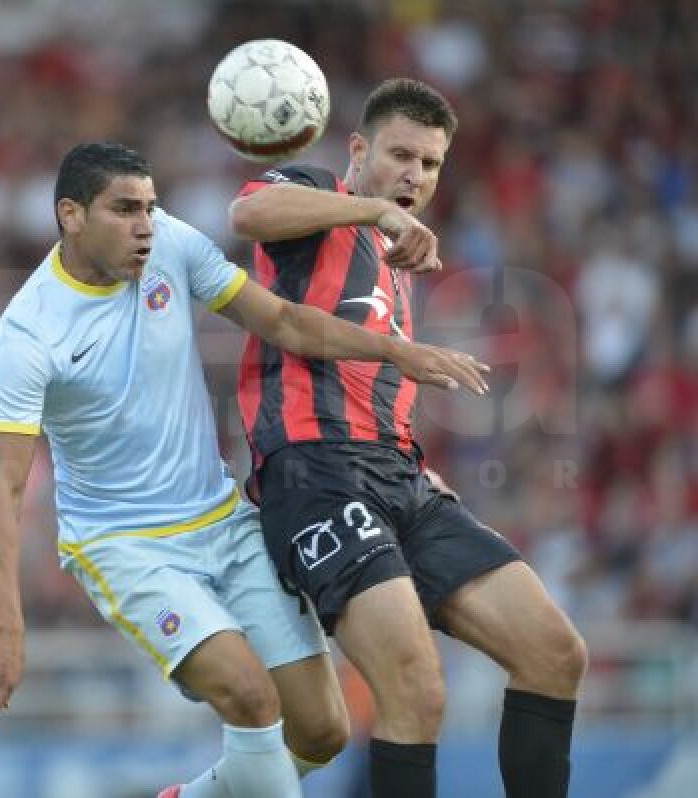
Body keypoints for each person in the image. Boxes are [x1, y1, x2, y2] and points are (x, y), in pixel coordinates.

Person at [0, 141, 489, 798]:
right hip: (126, 546)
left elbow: (284, 320)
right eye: (124, 210)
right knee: (251, 698)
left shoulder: (171, 244)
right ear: (72, 215)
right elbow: (0, 491)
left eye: (149, 206)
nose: (145, 224)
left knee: (321, 731)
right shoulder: (30, 333)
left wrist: (393, 352)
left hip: (221, 519)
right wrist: (8, 626)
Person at [230, 78, 588, 798]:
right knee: (414, 687)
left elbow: (367, 380)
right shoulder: (319, 194)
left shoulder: (397, 259)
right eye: (400, 154)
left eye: (429, 164)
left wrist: (421, 470)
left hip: (399, 478)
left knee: (555, 652)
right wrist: (371, 210)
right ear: (359, 150)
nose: (414, 176)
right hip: (315, 474)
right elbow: (249, 211)